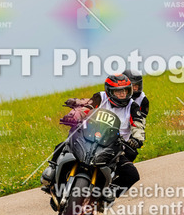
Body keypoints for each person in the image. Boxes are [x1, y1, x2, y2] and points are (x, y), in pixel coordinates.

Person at [41, 74, 145, 203]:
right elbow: (85, 109)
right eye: (119, 92)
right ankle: (52, 172)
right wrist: (73, 117)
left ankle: (109, 192)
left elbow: (138, 125)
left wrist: (137, 139)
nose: (123, 94)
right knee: (63, 145)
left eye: (125, 91)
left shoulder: (133, 106)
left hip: (114, 145)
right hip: (89, 137)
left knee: (132, 174)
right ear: (110, 91)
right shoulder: (100, 97)